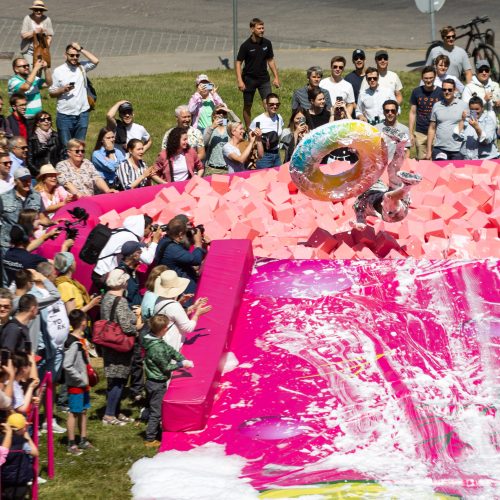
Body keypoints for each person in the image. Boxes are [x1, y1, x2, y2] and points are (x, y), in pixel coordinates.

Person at [142, 314, 193, 447]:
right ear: (164, 329)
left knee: (156, 408)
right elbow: (166, 367)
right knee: (156, 412)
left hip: (154, 380)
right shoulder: (156, 348)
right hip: (156, 382)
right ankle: (150, 438)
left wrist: (180, 357)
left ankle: (154, 431)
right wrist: (181, 365)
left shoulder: (156, 340)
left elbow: (169, 350)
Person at [100, 269, 141, 426]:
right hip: (120, 344)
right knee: (118, 379)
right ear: (122, 282)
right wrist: (138, 318)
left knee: (114, 378)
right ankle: (109, 414)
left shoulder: (106, 298)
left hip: (109, 341)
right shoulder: (121, 301)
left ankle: (115, 410)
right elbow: (128, 327)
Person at [353, 136, 422, 227]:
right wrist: (359, 225)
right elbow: (360, 220)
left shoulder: (375, 183)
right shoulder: (359, 203)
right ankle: (407, 186)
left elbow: (367, 168)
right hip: (391, 215)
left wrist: (359, 152)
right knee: (387, 196)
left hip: (398, 196)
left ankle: (400, 145)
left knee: (392, 170)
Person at [0, 166, 52, 285]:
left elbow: (43, 217)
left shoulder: (36, 196)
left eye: (29, 179)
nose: (28, 183)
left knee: (24, 278)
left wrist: (52, 222)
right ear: (16, 181)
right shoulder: (4, 198)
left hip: (26, 244)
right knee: (7, 280)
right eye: (24, 180)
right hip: (6, 245)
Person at [92, 214, 162, 290]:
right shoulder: (130, 238)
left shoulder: (121, 231)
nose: (151, 231)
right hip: (106, 277)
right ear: (142, 228)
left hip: (100, 272)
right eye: (149, 228)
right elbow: (148, 260)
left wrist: (149, 244)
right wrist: (155, 241)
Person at [49, 42, 99, 145]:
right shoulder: (58, 71)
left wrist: (80, 49)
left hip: (82, 114)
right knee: (66, 148)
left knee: (79, 147)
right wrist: (62, 90)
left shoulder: (82, 67)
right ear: (65, 55)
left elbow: (95, 61)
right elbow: (51, 93)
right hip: (65, 115)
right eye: (71, 55)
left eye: (77, 55)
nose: (74, 58)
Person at [236, 18, 280, 128]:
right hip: (249, 80)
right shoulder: (245, 46)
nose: (262, 30)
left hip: (263, 79)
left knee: (268, 104)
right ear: (252, 29)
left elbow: (270, 60)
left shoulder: (267, 43)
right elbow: (238, 63)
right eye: (259, 28)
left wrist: (276, 77)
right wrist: (240, 81)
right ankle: (248, 129)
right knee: (247, 106)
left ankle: (270, 128)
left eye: (263, 28)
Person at [153, 270, 212, 351]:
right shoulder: (174, 306)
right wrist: (197, 314)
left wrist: (194, 307)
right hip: (171, 345)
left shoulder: (159, 299)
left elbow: (174, 316)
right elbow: (188, 328)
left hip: (161, 342)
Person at [63, 309, 95, 455]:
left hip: (84, 382)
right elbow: (67, 365)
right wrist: (80, 378)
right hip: (76, 384)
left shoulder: (81, 341)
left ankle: (83, 438)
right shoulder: (73, 343)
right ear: (83, 323)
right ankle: (71, 443)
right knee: (73, 413)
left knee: (83, 410)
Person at [155, 217, 208, 296]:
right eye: (185, 232)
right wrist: (198, 242)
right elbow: (196, 260)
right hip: (183, 290)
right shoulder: (173, 249)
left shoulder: (165, 240)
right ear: (180, 234)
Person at [426, 79, 468, 161]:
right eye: (444, 89)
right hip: (439, 148)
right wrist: (428, 150)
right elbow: (432, 128)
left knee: (456, 173)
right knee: (439, 173)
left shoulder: (463, 105)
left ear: (454, 90)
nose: (447, 92)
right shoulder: (436, 106)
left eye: (450, 90)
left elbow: (469, 126)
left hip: (457, 150)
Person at [409, 66, 444, 160]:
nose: (428, 80)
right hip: (420, 132)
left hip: (436, 133)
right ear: (422, 78)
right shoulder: (416, 92)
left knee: (435, 161)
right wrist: (411, 133)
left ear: (435, 77)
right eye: (426, 78)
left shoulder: (441, 92)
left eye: (431, 78)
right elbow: (412, 113)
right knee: (421, 161)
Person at [1, 413, 38, 500]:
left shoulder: (2, 441)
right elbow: (35, 453)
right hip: (20, 480)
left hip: (5, 479)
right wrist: (27, 437)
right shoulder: (22, 443)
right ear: (22, 429)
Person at [8, 57, 52, 122]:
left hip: (37, 118)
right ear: (16, 69)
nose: (27, 67)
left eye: (27, 65)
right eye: (24, 66)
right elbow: (26, 87)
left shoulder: (33, 78)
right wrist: (36, 68)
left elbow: (48, 83)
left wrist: (46, 68)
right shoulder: (13, 81)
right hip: (21, 118)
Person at [249, 93, 284, 169]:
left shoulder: (279, 118)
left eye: (277, 104)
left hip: (276, 155)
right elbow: (250, 136)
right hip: (264, 156)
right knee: (263, 179)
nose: (274, 106)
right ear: (266, 105)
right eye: (272, 104)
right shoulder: (258, 120)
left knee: (277, 179)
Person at [462, 60, 500, 125]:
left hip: (493, 124)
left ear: (490, 72)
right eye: (481, 70)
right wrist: (484, 100)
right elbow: (465, 109)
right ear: (476, 72)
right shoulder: (469, 87)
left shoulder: (495, 85)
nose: (484, 73)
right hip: (476, 124)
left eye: (486, 70)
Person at [27, 111, 64, 177]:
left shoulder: (56, 136)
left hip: (55, 173)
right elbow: (29, 161)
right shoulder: (32, 139)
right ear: (37, 123)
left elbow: (61, 155)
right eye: (43, 120)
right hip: (39, 174)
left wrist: (57, 170)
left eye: (49, 119)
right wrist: (40, 172)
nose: (46, 121)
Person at [20, 0, 53, 65]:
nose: (39, 12)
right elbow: (23, 35)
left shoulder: (47, 19)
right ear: (33, 10)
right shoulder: (27, 18)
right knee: (31, 69)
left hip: (42, 50)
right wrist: (34, 32)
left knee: (39, 69)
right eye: (36, 10)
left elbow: (50, 36)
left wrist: (46, 47)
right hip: (29, 50)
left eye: (41, 10)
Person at [202, 106, 230, 175]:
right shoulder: (209, 128)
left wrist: (230, 111)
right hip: (212, 169)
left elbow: (239, 123)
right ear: (214, 115)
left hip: (228, 169)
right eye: (218, 112)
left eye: (224, 112)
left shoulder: (230, 128)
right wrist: (212, 127)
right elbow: (203, 144)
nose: (221, 114)